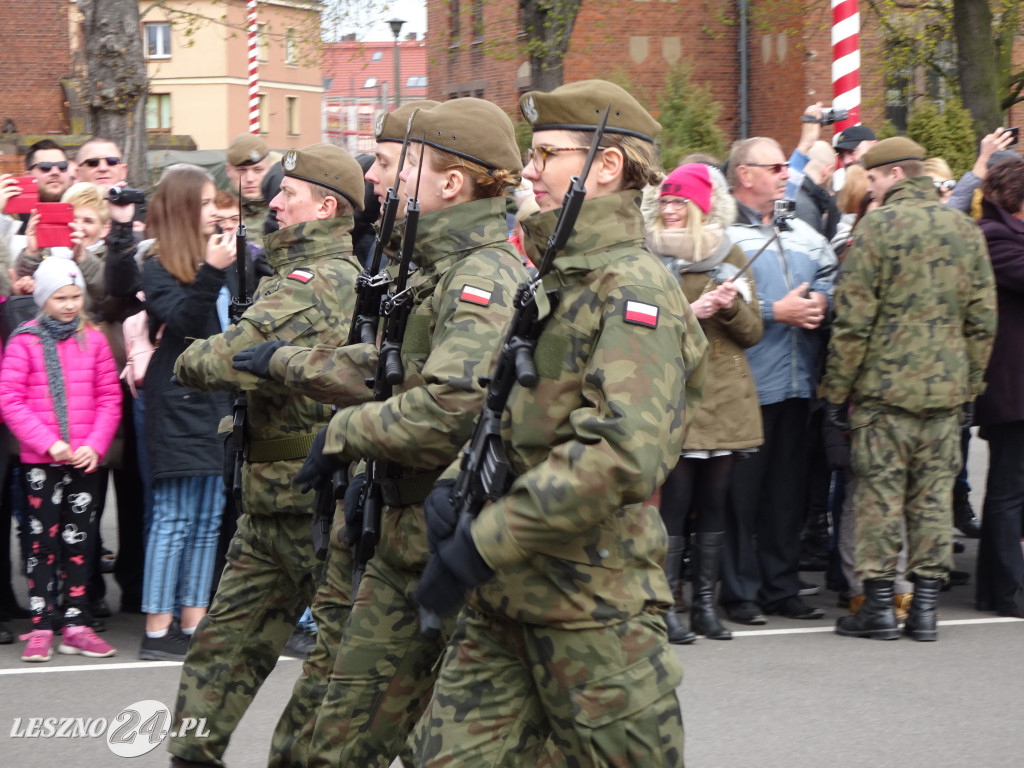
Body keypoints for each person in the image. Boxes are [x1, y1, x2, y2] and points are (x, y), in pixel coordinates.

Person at [411, 79, 707, 767]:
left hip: (592, 610)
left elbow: (619, 453)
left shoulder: (632, 287)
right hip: (504, 602)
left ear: (605, 167)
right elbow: (509, 412)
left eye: (547, 153)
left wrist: (484, 542)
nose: (530, 170)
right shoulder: (553, 279)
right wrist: (457, 486)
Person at [262, 98, 532, 768]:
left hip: (444, 536)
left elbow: (448, 404)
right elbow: (391, 371)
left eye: (395, 164)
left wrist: (341, 436)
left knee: (435, 746)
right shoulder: (429, 266)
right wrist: (285, 363)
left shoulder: (483, 273)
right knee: (343, 736)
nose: (378, 179)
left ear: (451, 183)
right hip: (395, 528)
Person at [167, 144, 367, 767]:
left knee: (337, 678)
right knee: (219, 655)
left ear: (326, 207)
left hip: (316, 508)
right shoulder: (286, 274)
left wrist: (198, 354)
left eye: (290, 194)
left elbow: (211, 361)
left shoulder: (320, 281)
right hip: (270, 505)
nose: (274, 201)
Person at [823, 137, 997, 642]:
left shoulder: (877, 228)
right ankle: (924, 610)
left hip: (884, 392)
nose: (869, 188)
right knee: (931, 498)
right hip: (944, 394)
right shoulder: (965, 229)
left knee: (879, 496)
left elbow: (853, 322)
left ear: (894, 175)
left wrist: (836, 394)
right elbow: (982, 319)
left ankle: (878, 608)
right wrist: (968, 387)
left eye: (872, 179)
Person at [719, 137, 837, 625]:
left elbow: (829, 271)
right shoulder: (719, 235)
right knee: (739, 499)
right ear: (745, 174)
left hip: (795, 384)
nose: (786, 173)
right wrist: (775, 311)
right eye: (775, 167)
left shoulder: (802, 230)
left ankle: (781, 587)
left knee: (786, 495)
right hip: (744, 389)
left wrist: (823, 302)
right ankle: (739, 592)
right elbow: (709, 298)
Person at [124, 164, 238, 661]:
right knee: (173, 517)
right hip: (176, 402)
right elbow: (189, 322)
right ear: (184, 208)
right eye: (208, 203)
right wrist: (212, 270)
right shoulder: (156, 264)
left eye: (217, 203)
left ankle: (192, 623)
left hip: (216, 401)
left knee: (210, 517)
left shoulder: (224, 257)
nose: (216, 211)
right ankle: (157, 628)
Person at [648, 162, 763, 643]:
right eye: (666, 202)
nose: (671, 211)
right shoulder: (645, 255)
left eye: (680, 202)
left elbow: (753, 332)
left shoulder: (728, 251)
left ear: (699, 207)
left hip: (726, 394)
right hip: (676, 392)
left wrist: (733, 306)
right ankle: (667, 604)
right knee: (674, 503)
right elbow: (640, 326)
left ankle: (706, 607)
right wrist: (689, 314)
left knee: (715, 502)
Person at [0, 257, 121, 661]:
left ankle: (76, 622)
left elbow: (109, 397)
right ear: (42, 298)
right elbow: (11, 401)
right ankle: (41, 624)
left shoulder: (95, 339)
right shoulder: (25, 340)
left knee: (80, 541)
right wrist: (49, 443)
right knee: (41, 542)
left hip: (84, 459)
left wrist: (96, 445)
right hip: (42, 461)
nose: (70, 305)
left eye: (75, 297)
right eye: (60, 298)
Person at [973, 156, 1024, 618]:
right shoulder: (996, 237)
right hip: (1012, 386)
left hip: (1015, 386)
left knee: (1009, 491)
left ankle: (996, 586)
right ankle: (1007, 588)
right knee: (1009, 491)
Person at [224, 133, 273, 248]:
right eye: (242, 171)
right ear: (228, 170)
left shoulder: (284, 212)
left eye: (258, 170)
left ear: (270, 170)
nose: (250, 179)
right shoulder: (216, 211)